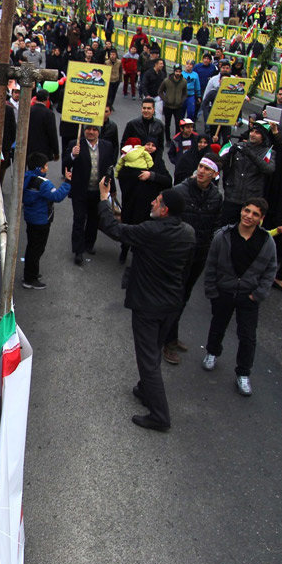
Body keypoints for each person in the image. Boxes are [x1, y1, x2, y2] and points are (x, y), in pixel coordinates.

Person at [96, 181, 196, 431]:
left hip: (148, 306)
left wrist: (104, 199)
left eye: (157, 201)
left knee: (148, 360)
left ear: (165, 210)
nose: (152, 202)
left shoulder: (151, 231)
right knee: (154, 350)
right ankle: (144, 389)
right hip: (172, 304)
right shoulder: (188, 232)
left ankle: (160, 416)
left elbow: (113, 228)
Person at [201, 198, 277, 396]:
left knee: (248, 337)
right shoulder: (223, 236)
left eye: (255, 214)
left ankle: (243, 373)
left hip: (248, 296)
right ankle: (212, 352)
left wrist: (258, 294)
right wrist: (211, 290)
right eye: (247, 211)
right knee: (218, 325)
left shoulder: (267, 241)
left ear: (261, 219)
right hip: (224, 292)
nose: (249, 216)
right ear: (242, 211)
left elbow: (270, 269)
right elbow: (211, 264)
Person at [163, 153, 224, 364]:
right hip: (179, 254)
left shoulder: (217, 197)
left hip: (199, 255)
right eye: (200, 166)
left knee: (184, 296)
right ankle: (166, 341)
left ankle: (171, 334)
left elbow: (216, 224)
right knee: (174, 296)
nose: (202, 171)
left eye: (207, 169)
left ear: (215, 174)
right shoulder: (180, 191)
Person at [64, 124, 116, 264]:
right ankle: (78, 251)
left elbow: (109, 168)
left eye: (94, 130)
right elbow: (66, 163)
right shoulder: (75, 145)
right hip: (80, 191)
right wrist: (72, 156)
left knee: (94, 219)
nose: (91, 132)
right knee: (79, 220)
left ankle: (89, 244)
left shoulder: (107, 146)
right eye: (88, 129)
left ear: (98, 132)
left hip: (98, 192)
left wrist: (112, 189)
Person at [22, 152, 71, 289]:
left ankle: (30, 273)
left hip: (30, 218)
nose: (47, 168)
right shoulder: (44, 183)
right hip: (42, 220)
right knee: (37, 249)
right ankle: (30, 278)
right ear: (40, 168)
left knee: (31, 247)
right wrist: (67, 183)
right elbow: (57, 196)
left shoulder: (27, 178)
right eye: (45, 166)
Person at [219, 121, 275, 225]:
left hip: (251, 201)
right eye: (252, 131)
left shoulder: (268, 152)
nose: (252, 134)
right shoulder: (240, 146)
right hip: (232, 197)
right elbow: (219, 165)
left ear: (263, 136)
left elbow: (269, 169)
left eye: (257, 133)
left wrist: (251, 154)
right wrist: (229, 153)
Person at [26, 89, 59, 162]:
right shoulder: (49, 114)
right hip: (43, 150)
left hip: (28, 147)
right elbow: (52, 134)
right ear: (47, 98)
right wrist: (56, 152)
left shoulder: (28, 111)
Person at [158, 65, 187, 142]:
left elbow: (185, 93)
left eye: (179, 71)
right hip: (168, 106)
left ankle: (177, 139)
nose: (178, 73)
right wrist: (165, 99)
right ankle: (168, 139)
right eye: (176, 71)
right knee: (167, 124)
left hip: (178, 106)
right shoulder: (167, 81)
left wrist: (182, 100)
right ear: (174, 72)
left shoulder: (184, 81)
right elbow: (160, 91)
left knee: (178, 124)